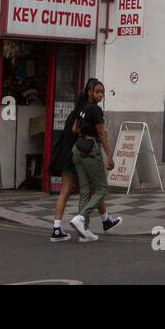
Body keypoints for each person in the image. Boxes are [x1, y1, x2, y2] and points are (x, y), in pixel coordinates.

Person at [68, 79, 121, 241]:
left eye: (102, 92)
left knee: (85, 191)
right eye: (97, 91)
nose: (101, 95)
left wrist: (85, 130)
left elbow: (75, 129)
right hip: (91, 150)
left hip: (77, 149)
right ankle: (81, 218)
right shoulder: (95, 110)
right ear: (90, 92)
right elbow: (101, 134)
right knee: (102, 189)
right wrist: (110, 156)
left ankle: (84, 232)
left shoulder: (82, 107)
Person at [47, 78, 94, 242]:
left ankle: (57, 228)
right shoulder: (83, 113)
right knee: (90, 190)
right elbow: (78, 132)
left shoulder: (74, 112)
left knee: (65, 191)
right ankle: (84, 226)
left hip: (65, 155)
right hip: (76, 156)